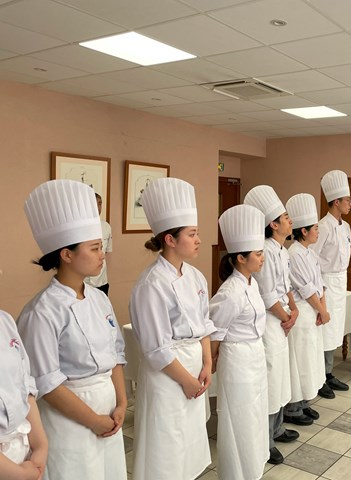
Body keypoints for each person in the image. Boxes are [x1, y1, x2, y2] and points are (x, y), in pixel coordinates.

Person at [18, 179, 127, 480]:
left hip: (109, 411)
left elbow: (116, 354)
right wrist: (93, 420)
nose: (102, 254)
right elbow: (47, 384)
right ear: (67, 254)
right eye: (94, 248)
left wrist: (121, 402)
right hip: (70, 420)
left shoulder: (99, 298)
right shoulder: (42, 311)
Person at [130, 178, 213, 480]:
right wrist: (187, 381)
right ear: (170, 239)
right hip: (168, 377)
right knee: (166, 449)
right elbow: (156, 348)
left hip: (195, 369)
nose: (198, 240)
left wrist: (207, 364)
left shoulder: (195, 276)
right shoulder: (151, 284)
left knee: (189, 446)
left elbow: (204, 324)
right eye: (192, 234)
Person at [209, 204, 269, 480]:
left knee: (255, 415)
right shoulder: (230, 291)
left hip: (254, 355)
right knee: (238, 419)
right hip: (237, 360)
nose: (262, 258)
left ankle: (253, 470)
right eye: (258, 254)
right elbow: (215, 332)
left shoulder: (251, 283)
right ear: (241, 258)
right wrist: (211, 362)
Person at [244, 185, 299, 466]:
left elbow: (286, 286)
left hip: (282, 320)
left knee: (280, 379)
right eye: (286, 217)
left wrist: (294, 309)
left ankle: (277, 428)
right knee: (271, 380)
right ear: (273, 224)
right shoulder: (264, 250)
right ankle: (266, 440)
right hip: (270, 322)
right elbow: (267, 295)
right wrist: (287, 316)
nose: (291, 221)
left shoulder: (282, 250)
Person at [284, 193, 326, 423]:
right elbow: (306, 288)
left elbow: (320, 284)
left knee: (310, 360)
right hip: (303, 314)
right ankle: (293, 408)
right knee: (299, 361)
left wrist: (322, 309)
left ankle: (305, 401)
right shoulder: (294, 254)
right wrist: (322, 310)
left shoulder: (311, 253)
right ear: (304, 231)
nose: (318, 232)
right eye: (315, 228)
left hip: (314, 313)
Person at [310, 170, 351, 399]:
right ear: (336, 202)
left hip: (340, 280)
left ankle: (328, 372)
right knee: (325, 331)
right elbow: (313, 258)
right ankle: (321, 377)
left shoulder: (346, 227)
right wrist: (320, 289)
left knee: (335, 331)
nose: (350, 204)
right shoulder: (323, 226)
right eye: (347, 200)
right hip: (326, 281)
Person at [0, 310, 48, 480]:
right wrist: (19, 474)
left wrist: (41, 446)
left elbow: (24, 384)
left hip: (24, 456)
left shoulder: (4, 320)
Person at [85, 193, 112, 296]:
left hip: (102, 282)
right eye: (94, 204)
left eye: (100, 203)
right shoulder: (79, 229)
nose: (97, 207)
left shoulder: (106, 227)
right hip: (84, 282)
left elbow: (106, 252)